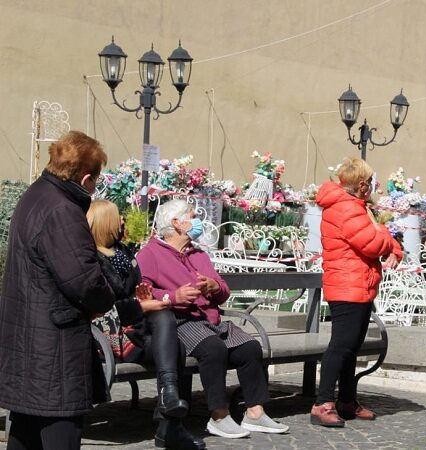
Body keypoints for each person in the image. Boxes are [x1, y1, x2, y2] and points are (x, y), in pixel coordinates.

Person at [0, 131, 116, 450]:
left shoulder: (35, 195)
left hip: (30, 333)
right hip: (54, 343)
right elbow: (83, 280)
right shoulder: (62, 209)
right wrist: (105, 298)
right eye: (96, 180)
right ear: (86, 177)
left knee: (26, 428)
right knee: (57, 430)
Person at [136, 199, 288, 440]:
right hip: (180, 320)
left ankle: (255, 412)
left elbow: (224, 291)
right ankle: (219, 416)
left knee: (250, 348)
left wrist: (214, 286)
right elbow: (141, 292)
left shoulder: (198, 254)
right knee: (213, 349)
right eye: (193, 216)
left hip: (212, 319)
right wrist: (174, 296)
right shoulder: (150, 254)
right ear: (177, 223)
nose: (199, 222)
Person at [87, 199, 205, 450]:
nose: (122, 221)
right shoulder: (90, 258)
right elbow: (97, 307)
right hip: (108, 336)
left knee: (169, 330)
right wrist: (139, 306)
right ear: (105, 222)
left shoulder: (122, 254)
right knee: (173, 342)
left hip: (133, 329)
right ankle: (170, 421)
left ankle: (169, 408)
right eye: (118, 217)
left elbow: (132, 295)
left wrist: (142, 299)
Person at [310, 157, 403, 427]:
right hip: (347, 285)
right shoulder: (346, 208)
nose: (374, 186)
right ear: (362, 185)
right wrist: (384, 233)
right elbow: (372, 244)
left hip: (358, 284)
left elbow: (380, 239)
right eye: (371, 181)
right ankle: (322, 403)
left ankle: (347, 401)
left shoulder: (356, 207)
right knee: (340, 346)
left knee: (351, 347)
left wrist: (390, 242)